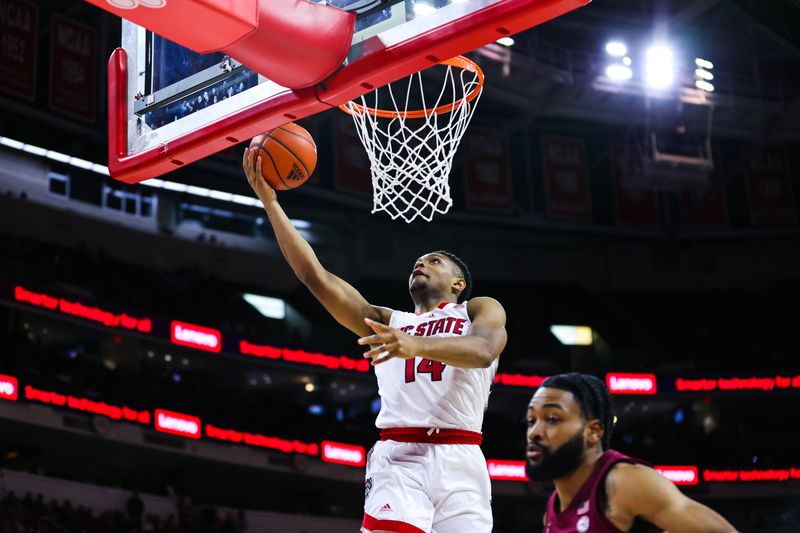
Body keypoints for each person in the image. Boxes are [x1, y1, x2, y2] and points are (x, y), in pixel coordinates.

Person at [244, 150, 507, 533]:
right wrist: (271, 204)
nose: (421, 263)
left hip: (463, 458)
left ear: (458, 283)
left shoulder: (477, 310)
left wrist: (414, 346)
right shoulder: (387, 321)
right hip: (400, 455)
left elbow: (484, 353)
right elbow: (316, 277)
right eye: (418, 261)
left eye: (434, 261)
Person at [526, 373, 738, 533]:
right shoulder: (553, 511)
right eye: (531, 420)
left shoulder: (623, 483)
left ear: (593, 431)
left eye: (552, 419)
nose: (534, 432)